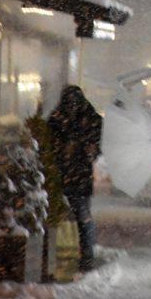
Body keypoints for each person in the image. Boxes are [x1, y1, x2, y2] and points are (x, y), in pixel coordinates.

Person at [47, 85, 102, 272]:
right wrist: (62, 149)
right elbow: (49, 144)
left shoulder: (91, 119)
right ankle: (64, 255)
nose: (71, 107)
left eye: (74, 103)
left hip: (79, 176)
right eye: (69, 104)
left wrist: (87, 149)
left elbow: (96, 146)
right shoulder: (57, 119)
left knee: (82, 216)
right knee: (70, 217)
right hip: (61, 175)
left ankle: (86, 257)